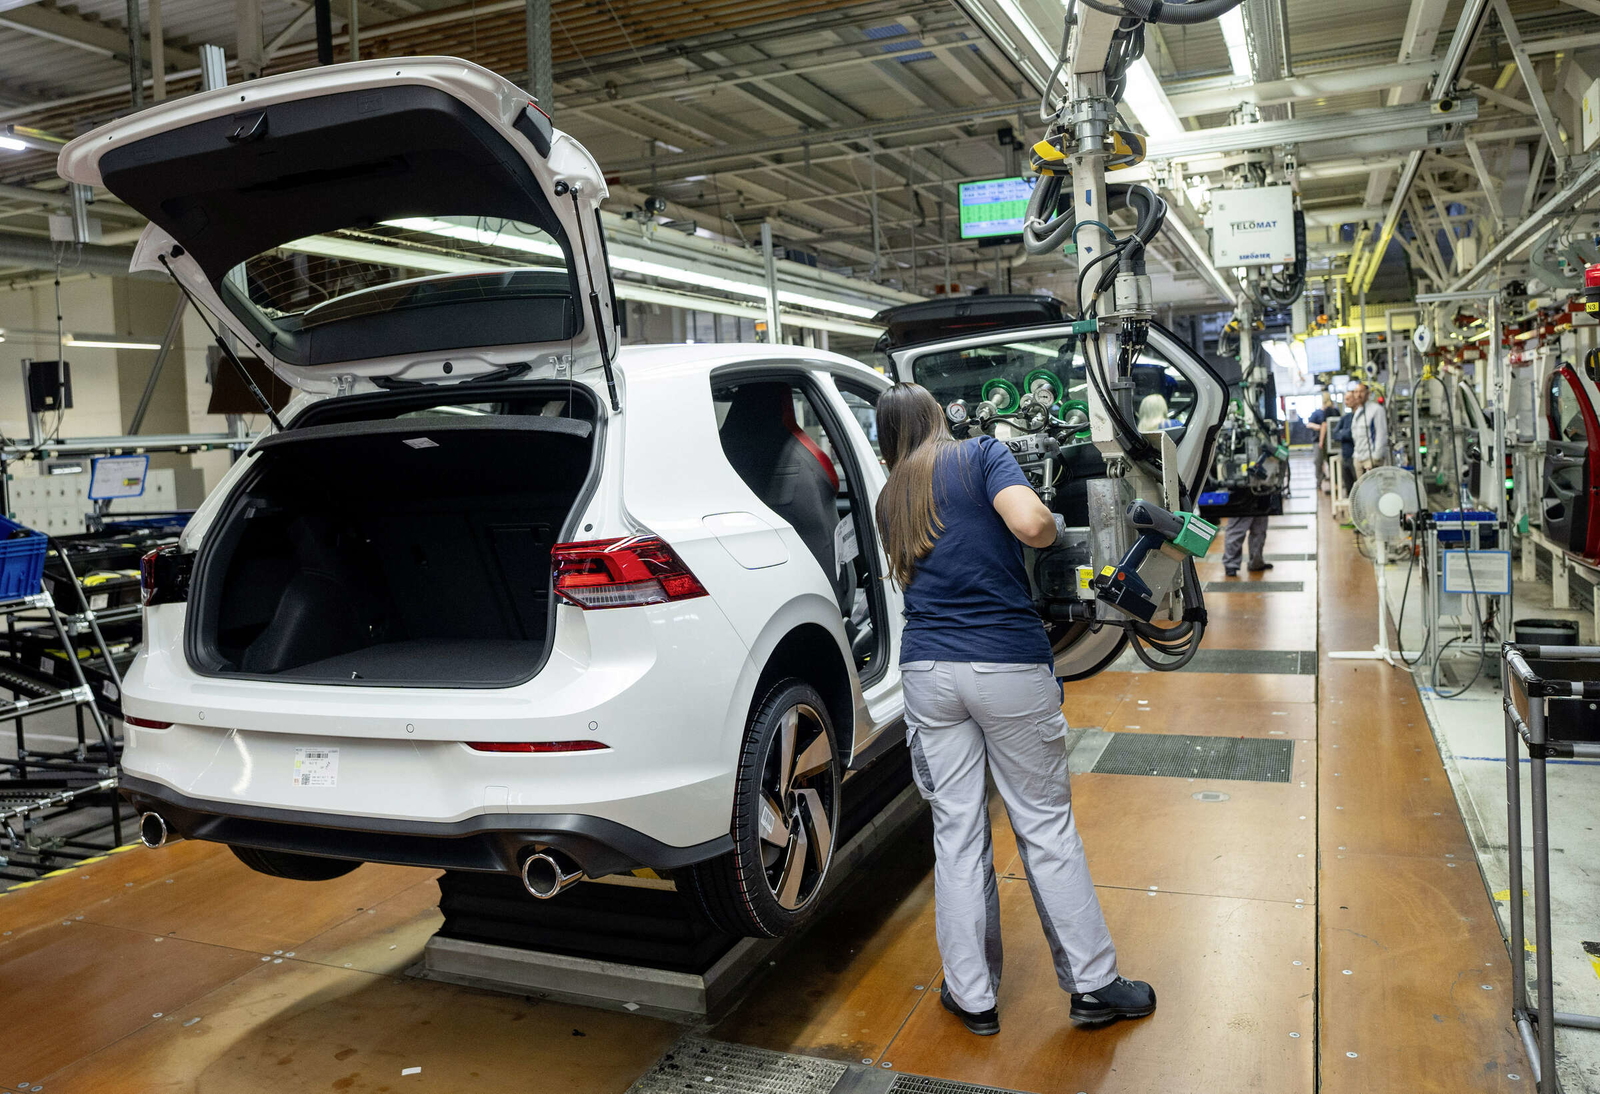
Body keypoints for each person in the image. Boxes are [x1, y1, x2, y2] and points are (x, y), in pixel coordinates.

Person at [874, 382, 1153, 1036]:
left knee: (957, 831)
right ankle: (1093, 986)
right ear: (939, 417)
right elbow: (1031, 525)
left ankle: (971, 997)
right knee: (1045, 826)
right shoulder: (980, 456)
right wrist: (1052, 527)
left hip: (928, 673)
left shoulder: (893, 496)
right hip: (1005, 664)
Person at [1349, 382, 1388, 477]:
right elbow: (1355, 435)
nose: (1358, 395)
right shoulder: (1358, 411)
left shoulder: (1376, 410)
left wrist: (1376, 457)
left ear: (1368, 394)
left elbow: (1381, 434)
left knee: (1374, 489)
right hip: (1358, 458)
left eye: (1361, 392)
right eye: (1356, 392)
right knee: (1361, 490)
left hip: (1370, 459)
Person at [1308, 392, 1339, 495]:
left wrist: (1322, 440)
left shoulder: (1332, 411)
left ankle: (1334, 483)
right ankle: (1320, 482)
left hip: (1328, 442)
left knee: (1332, 463)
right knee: (1319, 462)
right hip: (1320, 441)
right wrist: (1317, 427)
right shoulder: (1317, 413)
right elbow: (1310, 424)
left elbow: (1326, 426)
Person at [1332, 390, 1358, 495]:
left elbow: (1355, 434)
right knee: (1349, 487)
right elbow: (1335, 434)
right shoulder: (1346, 418)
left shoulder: (1360, 416)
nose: (1346, 402)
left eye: (1348, 399)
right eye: (1345, 400)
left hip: (1357, 456)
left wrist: (1345, 433)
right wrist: (1347, 433)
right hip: (1346, 456)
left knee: (1359, 485)